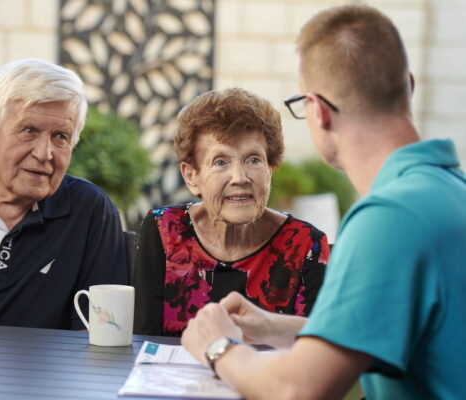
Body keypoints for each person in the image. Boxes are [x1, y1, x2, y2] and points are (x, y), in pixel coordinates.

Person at [181, 5, 466, 400]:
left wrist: (218, 347)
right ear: (409, 86)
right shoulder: (447, 190)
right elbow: (381, 332)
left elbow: (297, 391)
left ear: (318, 110)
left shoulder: (390, 219)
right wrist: (272, 326)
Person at [133, 88, 330, 336]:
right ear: (191, 176)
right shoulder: (164, 230)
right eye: (220, 162)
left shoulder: (305, 245)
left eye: (254, 160)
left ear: (270, 168)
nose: (239, 177)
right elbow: (143, 339)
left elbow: (314, 351)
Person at [0, 58, 128, 329]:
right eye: (29, 130)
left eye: (60, 136)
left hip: (50, 371)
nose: (44, 154)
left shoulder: (89, 211)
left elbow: (105, 331)